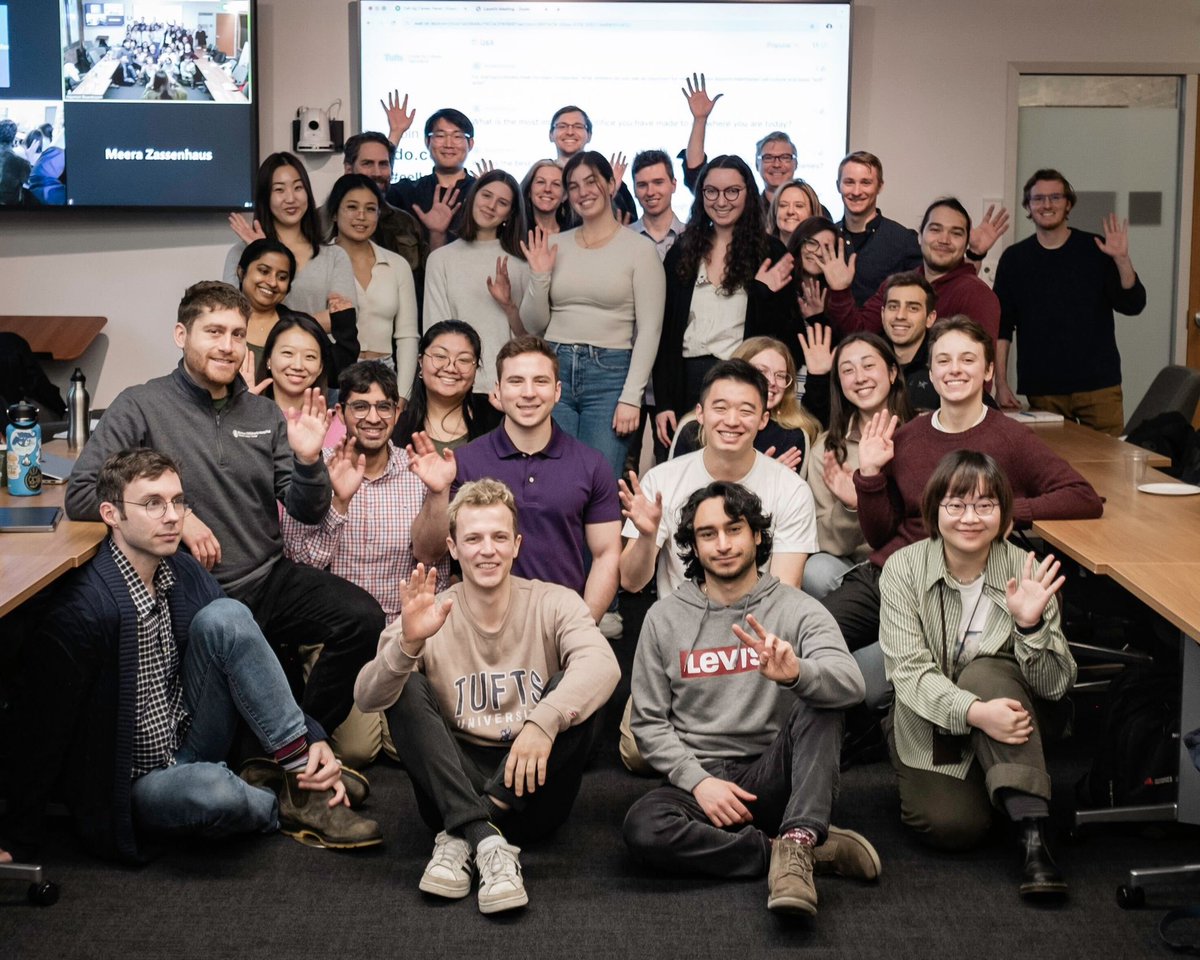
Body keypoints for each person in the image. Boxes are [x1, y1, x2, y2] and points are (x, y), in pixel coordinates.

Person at [1, 449, 381, 863]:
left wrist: (310, 737)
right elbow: (41, 728)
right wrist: (15, 840)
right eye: (152, 504)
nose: (171, 516)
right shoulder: (86, 611)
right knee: (214, 793)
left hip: (191, 740)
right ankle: (281, 801)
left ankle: (299, 771)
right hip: (140, 783)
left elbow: (246, 652)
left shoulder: (181, 570)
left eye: (178, 501)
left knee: (228, 616)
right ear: (111, 514)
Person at [66, 282, 385, 741]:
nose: (227, 346)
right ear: (181, 335)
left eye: (238, 334)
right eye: (213, 331)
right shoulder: (140, 405)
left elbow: (308, 512)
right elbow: (82, 494)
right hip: (188, 591)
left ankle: (300, 739)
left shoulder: (264, 414)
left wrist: (310, 460)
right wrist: (179, 515)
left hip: (267, 577)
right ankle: (290, 751)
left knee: (362, 619)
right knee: (223, 731)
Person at [354, 480, 621, 914]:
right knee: (401, 685)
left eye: (499, 537)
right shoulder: (433, 610)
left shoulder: (554, 602)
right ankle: (484, 837)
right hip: (450, 779)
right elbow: (367, 696)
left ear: (517, 545)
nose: (487, 550)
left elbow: (604, 666)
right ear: (453, 548)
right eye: (473, 538)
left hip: (533, 783)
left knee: (577, 694)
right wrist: (407, 645)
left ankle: (464, 835)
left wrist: (542, 721)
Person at [820, 315, 1102, 709]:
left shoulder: (1011, 437)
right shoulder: (906, 437)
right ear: (930, 373)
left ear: (988, 370)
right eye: (944, 361)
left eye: (968, 360)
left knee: (868, 685)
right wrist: (869, 476)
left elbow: (1082, 496)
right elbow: (882, 534)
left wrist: (1007, 512)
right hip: (893, 571)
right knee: (809, 636)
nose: (955, 370)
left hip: (956, 584)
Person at [622, 481, 876, 916]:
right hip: (701, 782)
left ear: (756, 535)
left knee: (822, 699)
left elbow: (851, 683)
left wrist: (797, 673)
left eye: (734, 529)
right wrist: (698, 781)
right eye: (708, 534)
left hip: (775, 773)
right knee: (643, 828)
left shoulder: (798, 608)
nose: (722, 544)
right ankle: (788, 849)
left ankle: (797, 842)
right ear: (694, 546)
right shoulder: (664, 619)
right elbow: (648, 723)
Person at [880, 450, 1074, 899]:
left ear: (1004, 514)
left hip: (1011, 709)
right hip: (930, 719)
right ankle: (996, 779)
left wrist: (1030, 626)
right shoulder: (903, 570)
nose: (970, 517)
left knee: (985, 671)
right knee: (952, 828)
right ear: (935, 511)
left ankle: (1033, 837)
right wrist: (975, 715)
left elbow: (1055, 685)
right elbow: (908, 673)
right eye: (956, 504)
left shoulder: (1025, 568)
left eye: (985, 505)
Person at [283, 361, 453, 767]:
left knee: (403, 748)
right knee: (360, 750)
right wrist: (338, 502)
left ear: (397, 413)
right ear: (341, 414)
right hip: (341, 639)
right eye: (360, 407)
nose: (372, 418)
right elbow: (298, 565)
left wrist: (437, 494)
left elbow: (432, 557)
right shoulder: (315, 467)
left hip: (404, 633)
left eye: (383, 407)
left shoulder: (419, 470)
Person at [453, 336, 622, 624]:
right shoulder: (465, 461)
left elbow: (606, 554)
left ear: (557, 391)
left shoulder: (591, 464)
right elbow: (435, 551)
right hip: (479, 628)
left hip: (560, 624)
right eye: (516, 381)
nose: (529, 393)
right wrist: (435, 492)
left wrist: (581, 627)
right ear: (498, 391)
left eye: (540, 382)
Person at [620, 359, 819, 598]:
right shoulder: (661, 481)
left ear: (763, 420)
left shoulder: (791, 489)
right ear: (700, 414)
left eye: (746, 411)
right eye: (721, 408)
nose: (732, 421)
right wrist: (646, 536)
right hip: (681, 626)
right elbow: (631, 582)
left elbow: (785, 591)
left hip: (755, 628)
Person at [520, 150, 665, 479]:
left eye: (591, 182)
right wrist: (540, 275)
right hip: (554, 368)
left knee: (596, 479)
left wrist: (632, 397)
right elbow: (534, 324)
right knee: (552, 477)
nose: (582, 192)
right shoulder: (554, 244)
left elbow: (651, 329)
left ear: (611, 184)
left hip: (610, 374)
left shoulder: (640, 250)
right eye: (573, 186)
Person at [653, 156, 799, 450]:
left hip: (743, 380)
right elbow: (665, 333)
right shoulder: (682, 250)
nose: (721, 200)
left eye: (732, 191)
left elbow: (783, 338)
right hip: (687, 382)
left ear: (748, 192)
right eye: (711, 191)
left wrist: (761, 293)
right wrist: (664, 402)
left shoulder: (769, 251)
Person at [994, 168, 1147, 436]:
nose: (1047, 204)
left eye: (1055, 197)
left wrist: (1122, 259)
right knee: (1051, 468)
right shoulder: (1014, 259)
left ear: (1068, 204)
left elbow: (1132, 305)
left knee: (1107, 466)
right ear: (1028, 206)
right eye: (1038, 199)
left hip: (1099, 387)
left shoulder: (1096, 249)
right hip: (1043, 389)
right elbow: (1002, 327)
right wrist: (1001, 382)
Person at [796, 329, 914, 599]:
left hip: (913, 563)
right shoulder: (827, 450)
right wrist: (851, 506)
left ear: (893, 373)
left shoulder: (921, 434)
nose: (860, 378)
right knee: (816, 570)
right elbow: (824, 540)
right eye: (848, 371)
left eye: (869, 366)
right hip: (857, 567)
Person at [820, 198, 1003, 346]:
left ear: (965, 243)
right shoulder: (897, 284)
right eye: (935, 229)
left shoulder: (977, 295)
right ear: (920, 236)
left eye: (956, 233)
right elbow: (859, 334)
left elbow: (979, 370)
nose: (944, 239)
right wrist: (840, 291)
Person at [223, 152, 358, 340]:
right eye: (279, 190)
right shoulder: (241, 253)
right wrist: (259, 253)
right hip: (255, 361)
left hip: (315, 361)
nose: (291, 198)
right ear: (265, 197)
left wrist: (280, 327)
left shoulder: (334, 256)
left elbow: (343, 317)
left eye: (298, 188)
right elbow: (231, 315)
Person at [424, 169, 532, 394]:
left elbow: (529, 340)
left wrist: (509, 306)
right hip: (453, 385)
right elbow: (435, 331)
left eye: (502, 202)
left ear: (510, 214)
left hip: (505, 389)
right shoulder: (440, 259)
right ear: (473, 197)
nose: (491, 206)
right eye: (486, 195)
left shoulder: (522, 264)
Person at [671, 336, 819, 475]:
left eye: (780, 375)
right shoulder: (693, 428)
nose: (772, 382)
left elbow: (791, 499)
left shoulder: (793, 436)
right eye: (761, 371)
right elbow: (675, 492)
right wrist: (758, 479)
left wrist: (776, 484)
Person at [326, 173, 419, 388]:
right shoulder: (319, 261)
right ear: (334, 214)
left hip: (385, 372)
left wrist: (403, 394)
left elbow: (407, 336)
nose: (361, 216)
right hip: (333, 371)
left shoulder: (397, 265)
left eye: (370, 209)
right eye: (351, 207)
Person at [392, 320, 501, 453]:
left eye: (463, 360)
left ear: (475, 369)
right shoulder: (400, 425)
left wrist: (512, 415)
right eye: (440, 356)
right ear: (421, 362)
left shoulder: (496, 417)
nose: (450, 368)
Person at [833, 151, 921, 305]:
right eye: (849, 182)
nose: (856, 191)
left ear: (880, 186)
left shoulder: (903, 241)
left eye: (866, 182)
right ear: (838, 186)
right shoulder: (827, 238)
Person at [385, 106, 476, 250]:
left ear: (470, 144)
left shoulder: (480, 193)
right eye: (440, 136)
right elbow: (372, 192)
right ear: (427, 142)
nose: (448, 144)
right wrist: (395, 134)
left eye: (457, 136)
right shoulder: (409, 190)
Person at [341, 131, 424, 272]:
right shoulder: (323, 221)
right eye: (368, 164)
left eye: (383, 164)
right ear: (349, 169)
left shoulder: (406, 223)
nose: (377, 173)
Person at [548, 104, 637, 221]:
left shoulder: (608, 178)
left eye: (578, 126)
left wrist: (608, 191)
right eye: (562, 126)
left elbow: (629, 224)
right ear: (551, 135)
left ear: (589, 136)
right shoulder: (542, 176)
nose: (570, 132)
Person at [250, 312, 336, 419]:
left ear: (320, 367)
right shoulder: (244, 415)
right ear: (269, 359)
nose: (298, 366)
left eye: (310, 356)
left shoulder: (335, 423)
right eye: (288, 353)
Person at [234, 237, 296, 370]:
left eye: (282, 277)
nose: (272, 282)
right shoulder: (219, 319)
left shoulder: (298, 325)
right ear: (241, 272)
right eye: (264, 271)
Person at [630, 150, 686, 257]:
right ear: (634, 190)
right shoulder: (623, 238)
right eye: (642, 185)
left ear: (673, 185)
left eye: (658, 183)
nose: (650, 192)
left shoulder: (694, 238)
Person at [520, 159, 573, 236]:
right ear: (529, 190)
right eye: (541, 182)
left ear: (564, 196)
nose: (547, 189)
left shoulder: (574, 232)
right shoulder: (515, 232)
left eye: (556, 184)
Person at [768, 179, 823, 248]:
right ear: (775, 211)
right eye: (783, 205)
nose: (790, 211)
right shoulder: (760, 251)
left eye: (799, 206)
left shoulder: (824, 253)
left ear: (812, 213)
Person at [0, 119, 31, 205]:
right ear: (14, 138)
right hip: (10, 212)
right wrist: (29, 157)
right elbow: (31, 183)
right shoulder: (21, 163)